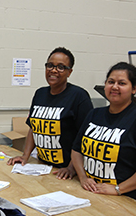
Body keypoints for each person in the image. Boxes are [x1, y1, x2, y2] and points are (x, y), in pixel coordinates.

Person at [71, 62, 136, 206]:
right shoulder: (94, 114)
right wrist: (83, 178)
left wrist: (118, 189)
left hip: (130, 201)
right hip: (94, 195)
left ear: (134, 88)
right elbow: (77, 150)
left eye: (121, 83)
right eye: (111, 82)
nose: (114, 87)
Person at [7, 47, 93, 179]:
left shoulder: (79, 96)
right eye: (50, 65)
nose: (53, 70)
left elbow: (85, 137)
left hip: (66, 171)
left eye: (60, 67)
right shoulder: (40, 94)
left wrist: (72, 167)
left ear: (69, 72)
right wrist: (25, 156)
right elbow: (33, 129)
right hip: (43, 166)